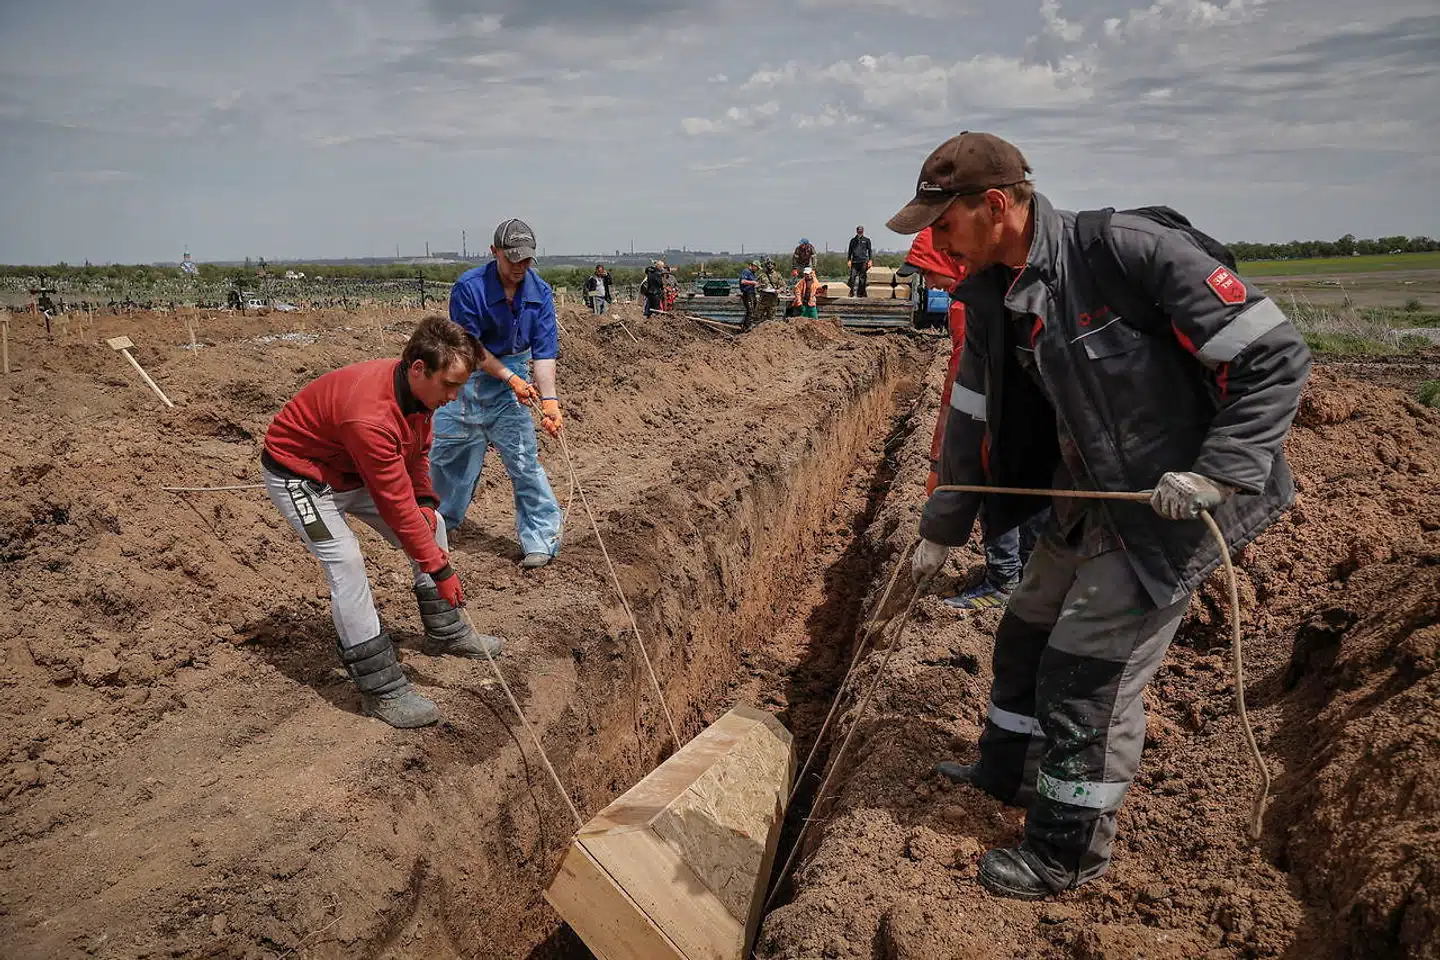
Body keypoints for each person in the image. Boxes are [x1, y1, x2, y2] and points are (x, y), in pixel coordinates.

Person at [892, 132, 1310, 899]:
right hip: (1083, 501)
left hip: (1166, 512)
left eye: (942, 221)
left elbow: (1274, 352)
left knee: (1088, 675)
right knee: (1024, 635)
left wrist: (1218, 473)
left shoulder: (1126, 251)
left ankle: (1064, 852)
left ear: (994, 205)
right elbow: (972, 422)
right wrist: (941, 527)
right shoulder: (991, 295)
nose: (933, 238)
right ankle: (1005, 772)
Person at [261, 315, 504, 729]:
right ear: (418, 369)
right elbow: (394, 503)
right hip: (304, 476)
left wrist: (426, 502)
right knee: (346, 562)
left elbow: (417, 456)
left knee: (433, 525)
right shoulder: (371, 417)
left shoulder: (419, 397)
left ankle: (445, 632)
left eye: (460, 385)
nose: (454, 396)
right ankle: (381, 689)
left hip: (355, 468)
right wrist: (439, 568)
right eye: (449, 385)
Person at [905, 227, 1048, 611]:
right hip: (1022, 415)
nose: (929, 283)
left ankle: (1006, 580)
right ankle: (1027, 576)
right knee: (1023, 487)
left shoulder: (971, 306)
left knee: (995, 486)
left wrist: (945, 464)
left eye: (928, 271)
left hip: (1010, 417)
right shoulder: (983, 295)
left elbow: (965, 388)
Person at [431, 218, 564, 569]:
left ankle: (540, 537)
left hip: (513, 381)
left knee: (523, 461)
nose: (520, 267)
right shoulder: (469, 288)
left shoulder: (539, 292)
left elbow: (545, 352)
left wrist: (549, 402)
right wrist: (509, 379)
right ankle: (435, 524)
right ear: (495, 253)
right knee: (448, 457)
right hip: (466, 378)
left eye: (526, 260)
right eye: (513, 258)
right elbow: (470, 347)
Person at [847, 226, 873, 297]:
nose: (860, 232)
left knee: (862, 279)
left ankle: (860, 293)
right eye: (859, 231)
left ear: (863, 231)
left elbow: (870, 251)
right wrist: (849, 260)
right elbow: (850, 251)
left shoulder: (867, 240)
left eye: (861, 231)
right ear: (857, 231)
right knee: (852, 277)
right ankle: (851, 292)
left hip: (863, 261)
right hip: (855, 262)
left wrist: (870, 260)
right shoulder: (853, 240)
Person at [757, 258, 784, 324]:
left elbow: (783, 286)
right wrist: (761, 288)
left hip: (773, 300)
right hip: (763, 300)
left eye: (771, 264)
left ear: (774, 265)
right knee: (758, 318)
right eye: (768, 264)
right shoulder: (762, 276)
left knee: (771, 319)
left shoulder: (778, 275)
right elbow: (757, 286)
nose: (769, 265)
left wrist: (779, 290)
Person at [739, 260, 759, 331]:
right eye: (757, 268)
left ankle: (747, 324)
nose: (757, 270)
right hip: (747, 293)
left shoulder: (752, 273)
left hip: (752, 292)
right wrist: (753, 282)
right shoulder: (746, 271)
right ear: (753, 266)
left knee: (753, 308)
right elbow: (743, 281)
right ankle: (747, 326)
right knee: (750, 310)